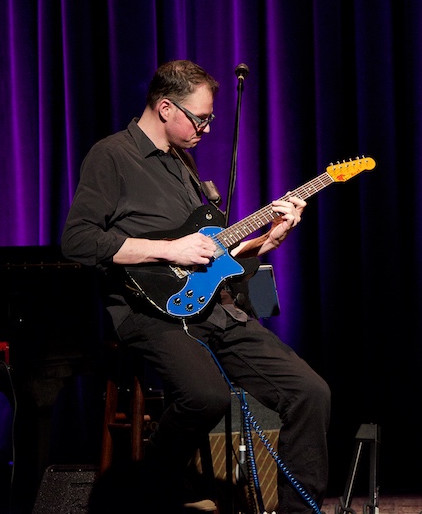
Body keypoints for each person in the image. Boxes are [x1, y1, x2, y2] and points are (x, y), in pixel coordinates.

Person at [61, 60, 330, 513]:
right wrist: (168, 249)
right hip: (148, 312)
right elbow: (78, 241)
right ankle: (145, 492)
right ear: (166, 108)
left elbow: (210, 254)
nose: (206, 128)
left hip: (212, 307)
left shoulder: (182, 162)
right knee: (205, 396)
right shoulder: (112, 156)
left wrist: (266, 241)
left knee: (311, 393)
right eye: (200, 118)